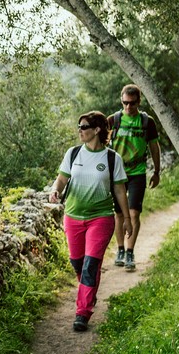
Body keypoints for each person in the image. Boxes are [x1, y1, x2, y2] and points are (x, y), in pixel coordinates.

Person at [49, 111, 131, 332]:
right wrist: (55, 190)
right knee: (78, 263)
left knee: (90, 265)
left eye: (83, 126)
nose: (79, 130)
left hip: (101, 218)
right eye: (79, 126)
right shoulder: (74, 153)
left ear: (96, 130)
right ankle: (89, 293)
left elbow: (120, 191)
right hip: (73, 217)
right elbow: (62, 178)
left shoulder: (112, 158)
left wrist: (127, 220)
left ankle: (82, 312)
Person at [107, 84, 161, 272]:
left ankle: (130, 251)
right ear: (121, 101)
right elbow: (100, 145)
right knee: (119, 214)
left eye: (132, 103)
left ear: (139, 102)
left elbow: (154, 147)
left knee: (134, 213)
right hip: (117, 174)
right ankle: (120, 249)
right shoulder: (113, 121)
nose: (128, 107)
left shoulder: (147, 122)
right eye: (125, 103)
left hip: (137, 172)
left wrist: (156, 171)